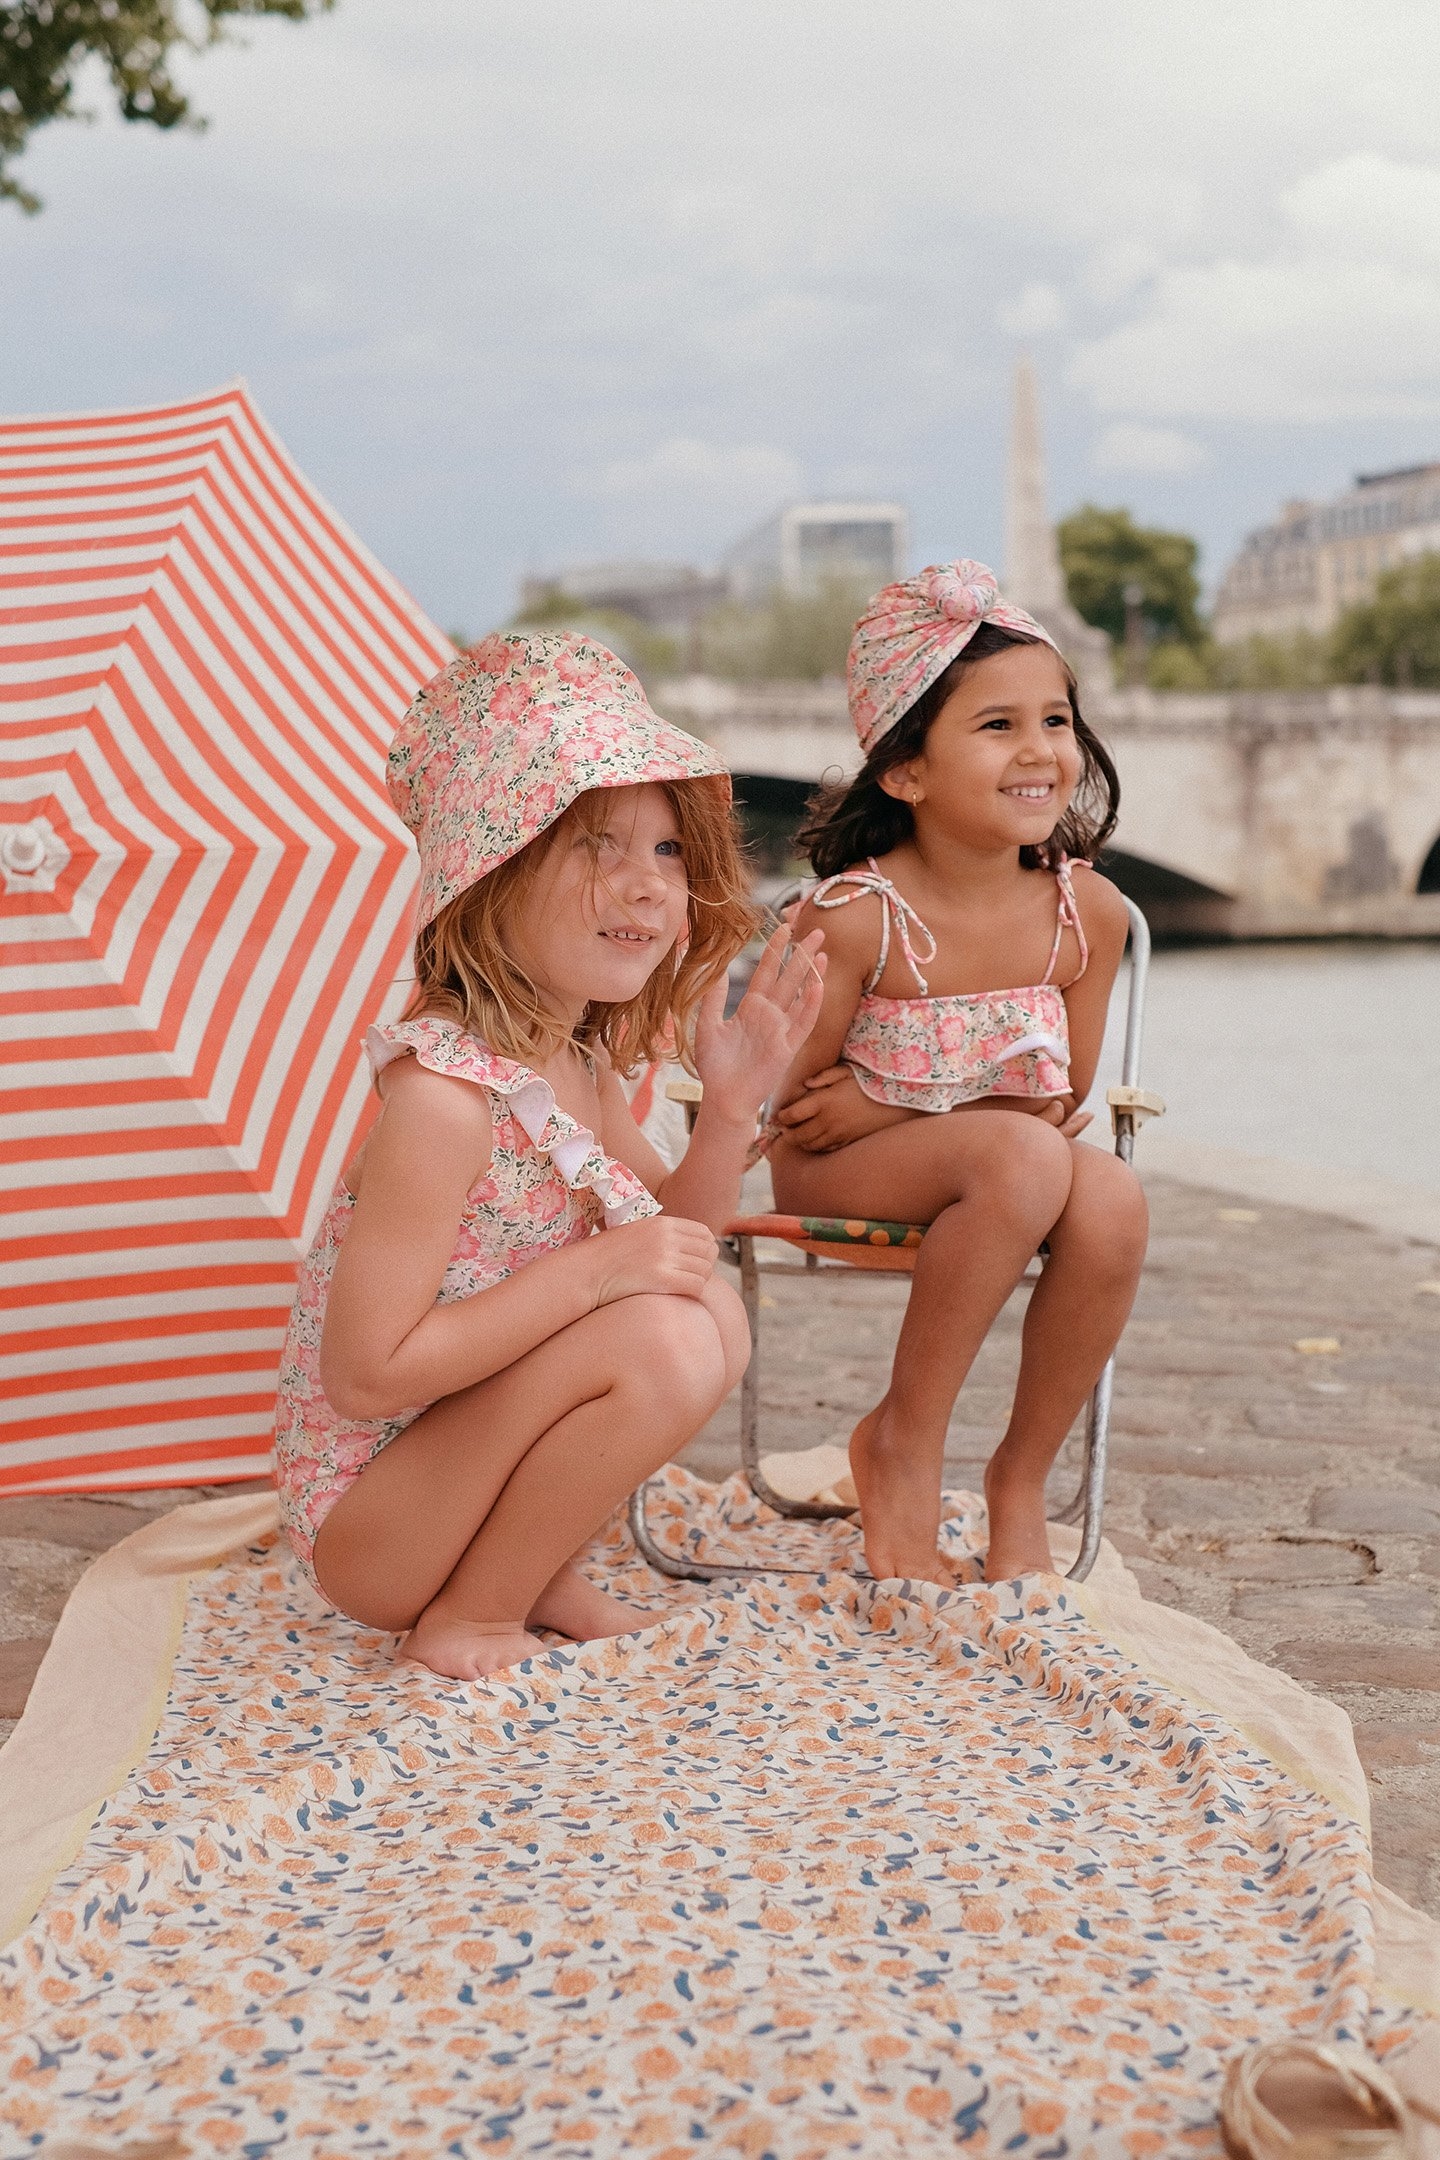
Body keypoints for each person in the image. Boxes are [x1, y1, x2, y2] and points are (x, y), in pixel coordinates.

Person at [274, 631, 824, 1680]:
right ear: (491, 871)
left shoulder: (573, 1066)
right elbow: (366, 1376)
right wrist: (594, 1273)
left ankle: (525, 1573)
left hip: (454, 1485)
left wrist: (727, 1112)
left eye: (667, 852)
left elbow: (681, 1242)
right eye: (596, 845)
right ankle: (472, 1614)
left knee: (705, 1308)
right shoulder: (444, 1100)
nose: (648, 886)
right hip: (375, 1524)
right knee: (663, 1334)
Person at [768, 561, 1148, 1586]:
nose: (1040, 752)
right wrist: (908, 1110)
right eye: (997, 727)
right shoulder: (857, 917)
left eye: (1056, 721)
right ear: (906, 772)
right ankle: (903, 1446)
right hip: (840, 1177)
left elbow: (1057, 1096)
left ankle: (1018, 1480)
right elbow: (792, 1114)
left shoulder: (1088, 916)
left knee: (1109, 1196)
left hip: (990, 1165)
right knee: (1024, 1161)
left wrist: (892, 1090)